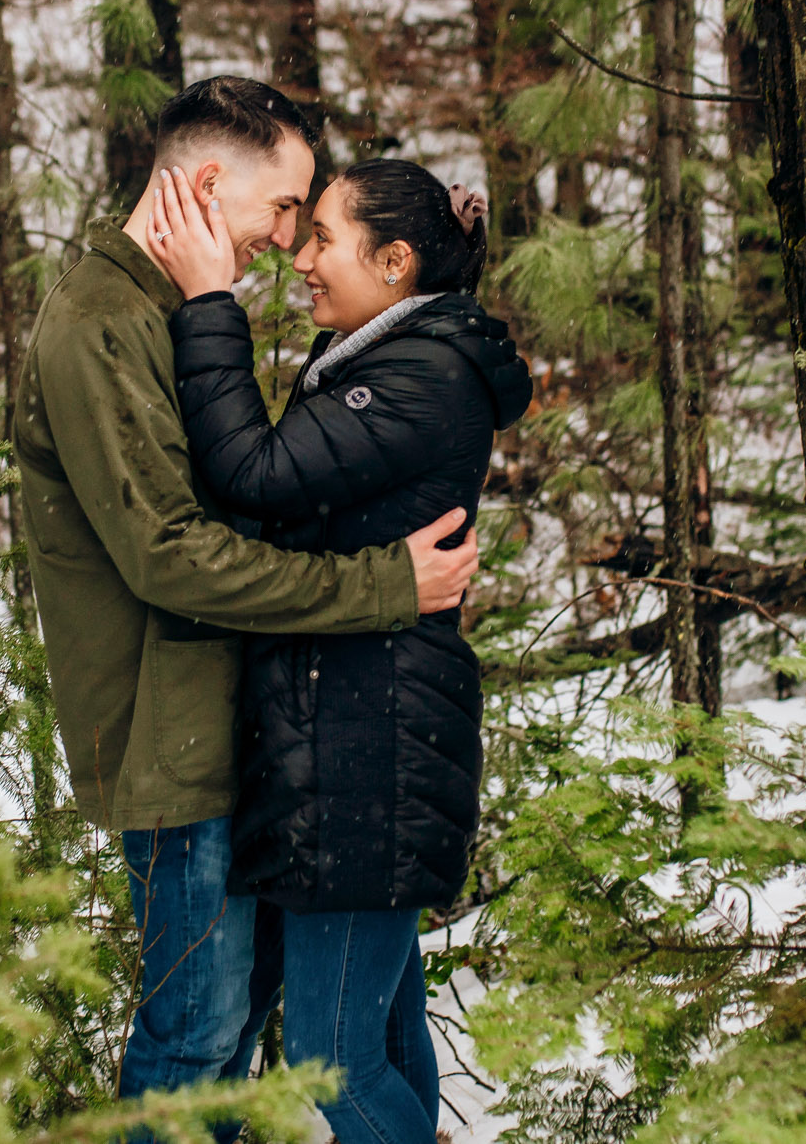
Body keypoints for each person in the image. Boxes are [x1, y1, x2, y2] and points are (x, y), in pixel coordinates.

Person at [10, 77, 482, 1124]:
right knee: (197, 1032)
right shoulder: (98, 325)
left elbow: (247, 492)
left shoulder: (162, 306)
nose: (286, 240)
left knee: (242, 1031)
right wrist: (385, 584)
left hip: (239, 736)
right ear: (210, 181)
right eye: (283, 209)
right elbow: (172, 556)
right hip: (172, 748)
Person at [142, 156, 533, 1144]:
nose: (300, 260)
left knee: (330, 1056)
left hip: (369, 749)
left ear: (395, 260)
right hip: (351, 737)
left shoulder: (421, 376)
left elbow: (254, 471)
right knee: (382, 1029)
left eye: (323, 239)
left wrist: (207, 303)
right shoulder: (385, 359)